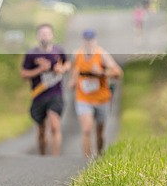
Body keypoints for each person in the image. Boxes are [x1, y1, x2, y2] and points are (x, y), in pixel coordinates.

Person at [68, 29, 123, 158]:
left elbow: (118, 72)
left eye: (91, 40)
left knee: (99, 132)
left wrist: (102, 73)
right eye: (86, 40)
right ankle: (86, 161)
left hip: (101, 99)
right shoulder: (77, 54)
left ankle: (99, 155)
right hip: (83, 98)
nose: (88, 43)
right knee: (86, 129)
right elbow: (75, 70)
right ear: (83, 41)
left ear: (95, 41)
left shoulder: (102, 54)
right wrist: (73, 81)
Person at [20, 23, 69, 156]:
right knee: (41, 129)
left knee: (54, 124)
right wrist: (39, 70)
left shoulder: (58, 51)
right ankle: (42, 157)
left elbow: (67, 64)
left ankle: (55, 157)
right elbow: (23, 74)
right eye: (42, 34)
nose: (45, 36)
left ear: (52, 35)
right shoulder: (31, 54)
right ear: (37, 36)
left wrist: (62, 69)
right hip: (39, 95)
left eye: (47, 34)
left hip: (56, 94)